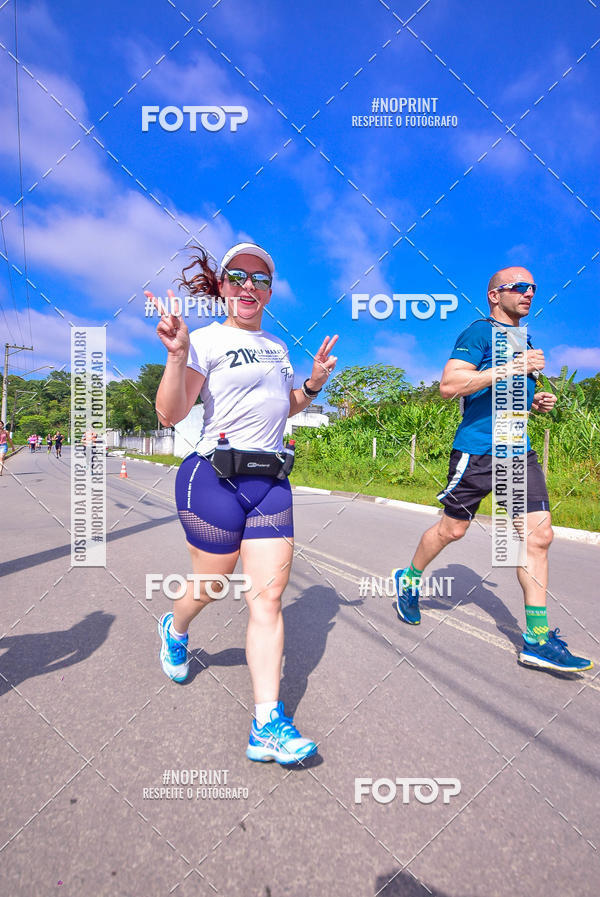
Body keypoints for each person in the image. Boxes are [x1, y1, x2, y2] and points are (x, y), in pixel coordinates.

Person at [145, 242, 338, 765]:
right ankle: (176, 627)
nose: (248, 286)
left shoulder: (278, 347)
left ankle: (267, 723)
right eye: (238, 276)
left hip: (271, 483)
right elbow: (170, 413)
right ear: (223, 286)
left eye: (259, 279)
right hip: (214, 478)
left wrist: (314, 385)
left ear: (271, 291)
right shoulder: (204, 341)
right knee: (211, 583)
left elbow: (285, 405)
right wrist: (177, 356)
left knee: (267, 600)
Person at [393, 266, 592, 673]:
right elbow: (450, 385)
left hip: (518, 452)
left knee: (539, 536)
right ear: (493, 296)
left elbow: (509, 395)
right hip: (478, 452)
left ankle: (536, 639)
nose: (528, 293)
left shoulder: (524, 339)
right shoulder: (479, 333)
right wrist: (511, 368)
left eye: (532, 287)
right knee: (453, 529)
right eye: (517, 287)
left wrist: (536, 402)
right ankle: (409, 578)